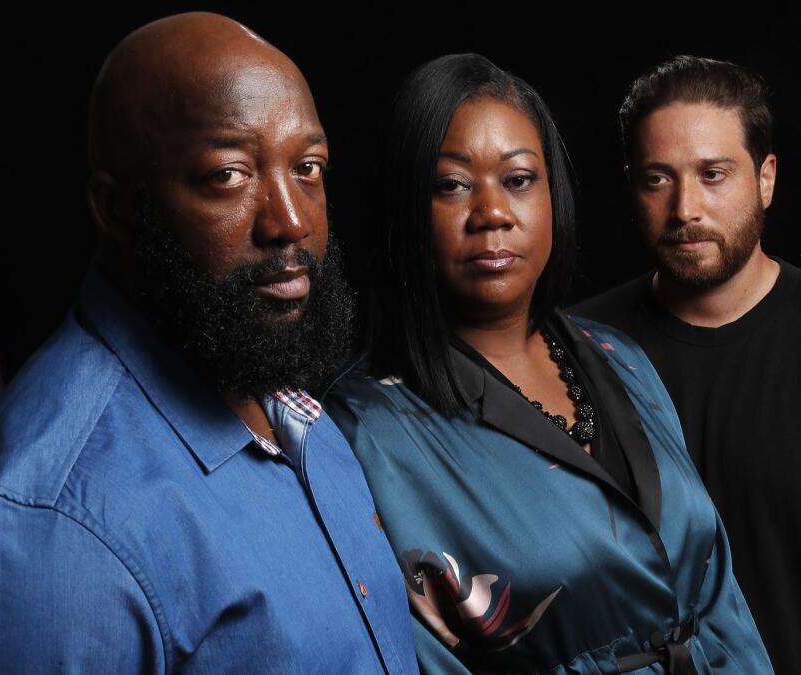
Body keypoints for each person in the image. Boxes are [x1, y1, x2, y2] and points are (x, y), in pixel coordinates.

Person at [0, 13, 416, 673]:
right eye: (229, 176)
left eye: (307, 167)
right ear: (117, 209)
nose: (292, 220)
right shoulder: (45, 534)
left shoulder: (279, 393)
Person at [324, 53, 772, 674]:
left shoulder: (621, 358)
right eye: (451, 185)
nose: (493, 214)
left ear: (551, 193)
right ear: (406, 208)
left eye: (518, 179)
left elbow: (723, 602)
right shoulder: (364, 431)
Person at [572, 56, 801, 674]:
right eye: (657, 179)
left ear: (765, 178)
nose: (686, 207)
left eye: (714, 174)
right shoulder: (580, 347)